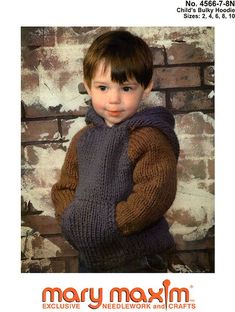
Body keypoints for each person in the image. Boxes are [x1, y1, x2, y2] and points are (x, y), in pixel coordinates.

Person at [51, 30, 180, 273]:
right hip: (90, 256)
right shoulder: (83, 138)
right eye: (103, 87)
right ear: (88, 86)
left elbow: (153, 195)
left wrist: (109, 224)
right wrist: (71, 220)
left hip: (137, 257)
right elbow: (66, 186)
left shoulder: (149, 137)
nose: (114, 99)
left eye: (126, 88)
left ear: (147, 87)